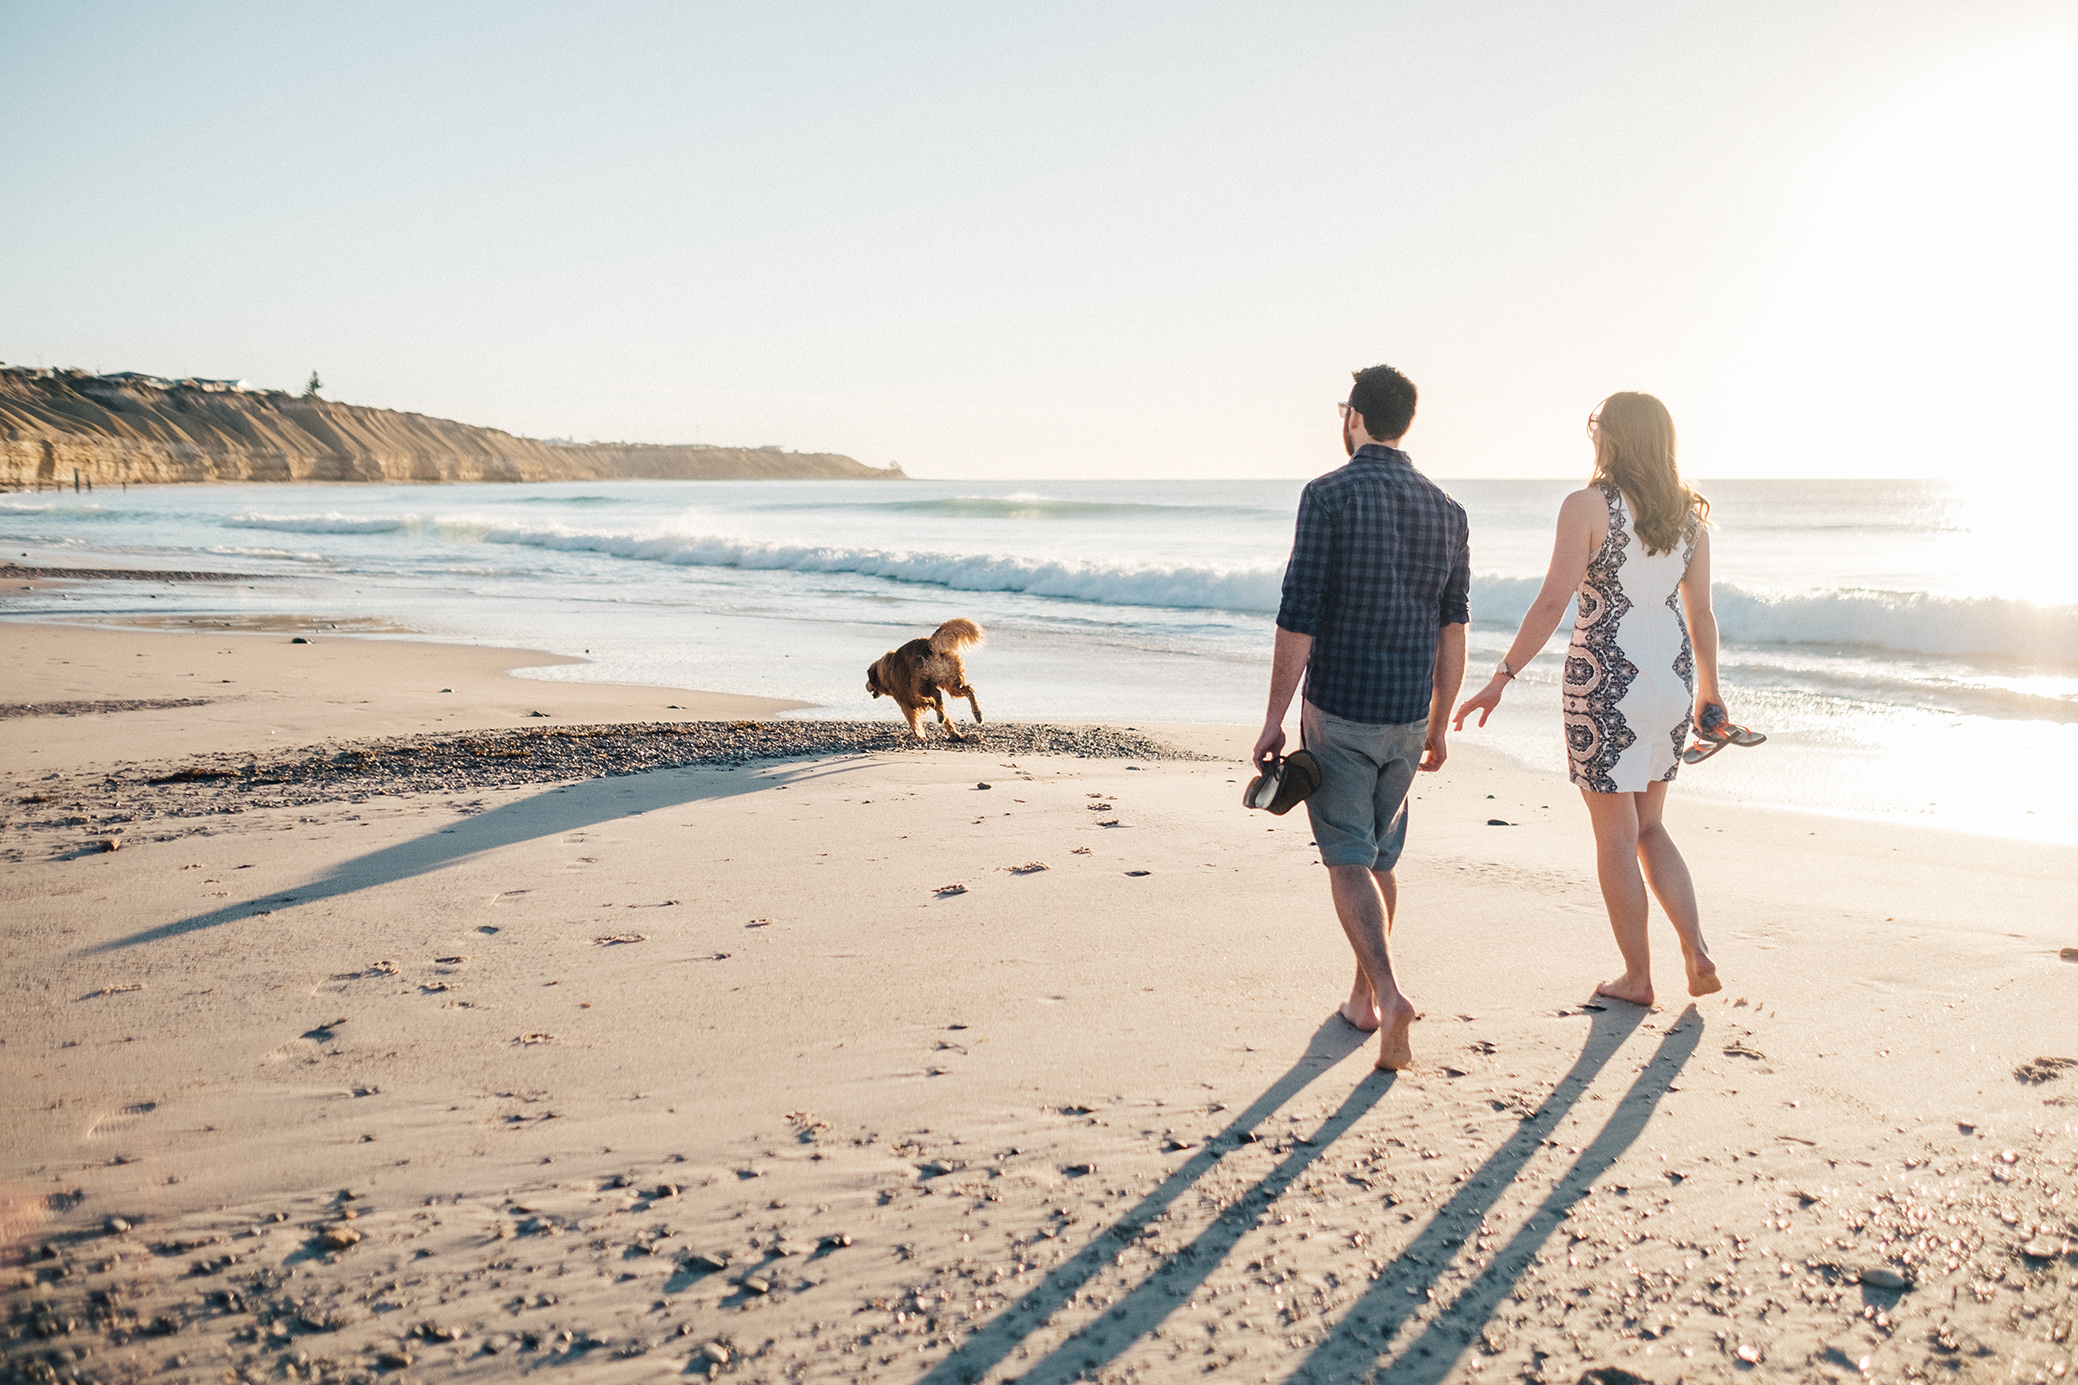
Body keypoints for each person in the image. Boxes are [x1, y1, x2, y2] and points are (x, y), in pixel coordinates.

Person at [1453, 391, 1724, 1005]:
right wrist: (1711, 691)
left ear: (1613, 437)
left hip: (1607, 677)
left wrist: (1503, 675)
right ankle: (1697, 949)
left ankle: (1638, 976)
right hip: (1672, 679)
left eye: (1595, 427)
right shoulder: (1690, 517)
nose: (1591, 436)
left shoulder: (1587, 506)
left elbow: (1553, 600)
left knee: (1613, 834)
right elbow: (1700, 611)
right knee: (1650, 827)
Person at [1255, 364, 1470, 1071]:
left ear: (1354, 417)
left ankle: (1387, 990)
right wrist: (1439, 723)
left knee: (1347, 858)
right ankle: (1361, 1000)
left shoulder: (1327, 495)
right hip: (1409, 716)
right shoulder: (1448, 510)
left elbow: (1298, 614)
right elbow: (1453, 628)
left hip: (1341, 710)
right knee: (1379, 855)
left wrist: (1274, 718)